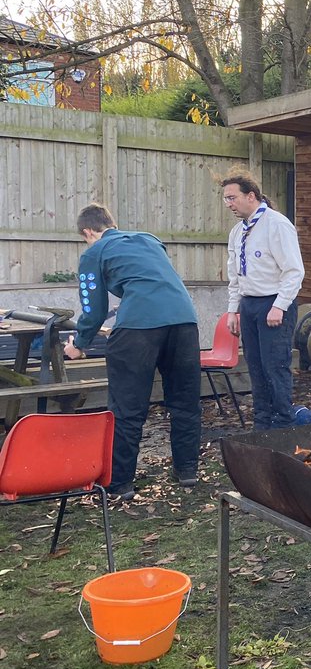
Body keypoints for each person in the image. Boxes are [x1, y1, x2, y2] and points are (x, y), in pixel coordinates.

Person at [64, 204, 201, 501]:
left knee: (127, 407)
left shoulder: (94, 252)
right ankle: (187, 470)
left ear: (89, 232)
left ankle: (121, 483)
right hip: (185, 321)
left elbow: (93, 308)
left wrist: (79, 344)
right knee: (185, 401)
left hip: (138, 329)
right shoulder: (149, 239)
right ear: (111, 223)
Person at [221, 171, 305, 430]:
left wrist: (279, 305)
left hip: (274, 304)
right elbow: (235, 275)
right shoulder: (238, 232)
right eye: (225, 199)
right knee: (255, 369)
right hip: (249, 305)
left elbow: (294, 270)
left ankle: (283, 424)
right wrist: (233, 311)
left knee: (275, 368)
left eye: (232, 198)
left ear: (251, 195)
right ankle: (262, 424)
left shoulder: (277, 225)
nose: (229, 204)